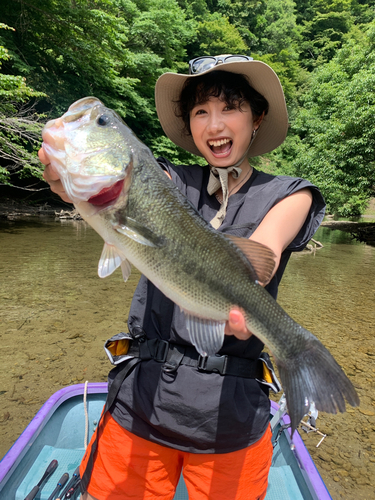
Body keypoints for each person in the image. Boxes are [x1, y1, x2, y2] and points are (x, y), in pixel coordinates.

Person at [40, 55, 325, 500]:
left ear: (257, 119)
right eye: (200, 112)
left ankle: (297, 352)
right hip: (140, 404)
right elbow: (109, 184)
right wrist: (64, 177)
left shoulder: (291, 194)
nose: (215, 124)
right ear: (189, 125)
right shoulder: (166, 179)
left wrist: (246, 309)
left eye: (230, 107)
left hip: (229, 421)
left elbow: (262, 258)